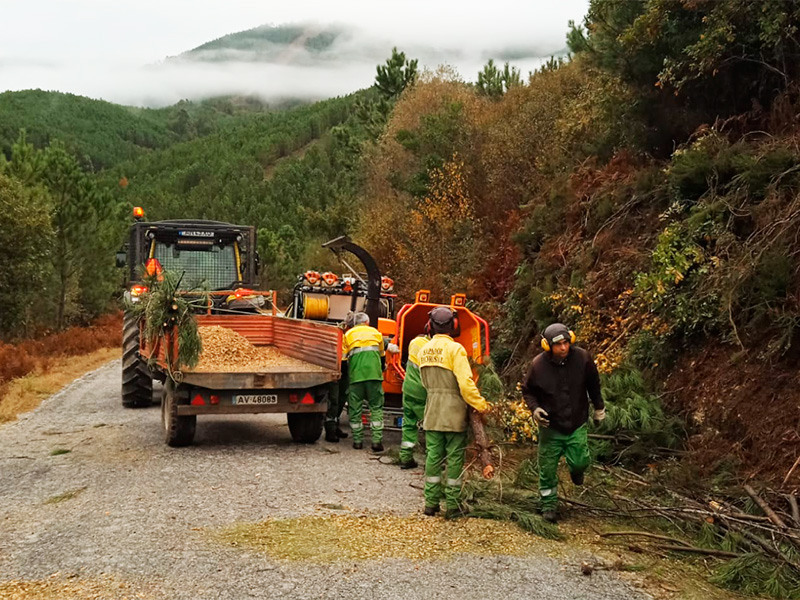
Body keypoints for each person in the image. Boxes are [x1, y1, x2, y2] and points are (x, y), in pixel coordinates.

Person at [521, 323, 605, 523]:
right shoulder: (538, 365)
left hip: (576, 422)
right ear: (547, 345)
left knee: (580, 460)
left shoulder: (582, 358)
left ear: (571, 340)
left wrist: (599, 408)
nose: (563, 348)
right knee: (547, 469)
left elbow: (594, 384)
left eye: (566, 343)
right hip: (551, 426)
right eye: (558, 345)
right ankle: (548, 505)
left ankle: (577, 472)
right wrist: (535, 409)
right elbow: (528, 390)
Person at [419, 307, 490, 518]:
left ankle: (430, 504)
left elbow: (425, 384)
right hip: (454, 414)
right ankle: (452, 505)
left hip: (432, 412)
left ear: (430, 326)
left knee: (433, 457)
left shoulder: (424, 350)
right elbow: (466, 384)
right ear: (454, 326)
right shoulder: (455, 350)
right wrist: (481, 405)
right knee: (454, 459)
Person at [343, 312, 386, 452]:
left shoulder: (348, 335)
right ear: (367, 322)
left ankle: (357, 441)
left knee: (355, 409)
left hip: (356, 377)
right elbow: (382, 357)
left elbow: (343, 360)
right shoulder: (376, 333)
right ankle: (376, 441)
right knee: (376, 407)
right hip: (374, 376)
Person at [398, 334, 429, 469]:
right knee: (430, 427)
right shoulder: (434, 348)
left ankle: (406, 457)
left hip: (408, 388)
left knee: (409, 423)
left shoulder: (414, 342)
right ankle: (432, 461)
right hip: (423, 391)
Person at [324, 313, 354, 443]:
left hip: (345, 370)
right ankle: (330, 430)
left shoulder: (350, 334)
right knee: (334, 400)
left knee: (342, 398)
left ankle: (335, 426)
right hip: (336, 369)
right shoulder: (337, 333)